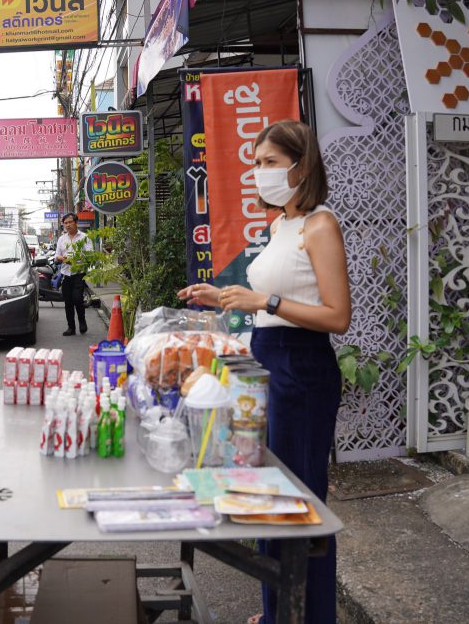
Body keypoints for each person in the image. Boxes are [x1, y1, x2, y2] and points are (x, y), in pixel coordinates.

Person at [178, 119, 351, 624]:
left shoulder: (322, 225)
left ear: (302, 166)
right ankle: (278, 610)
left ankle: (309, 616)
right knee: (265, 499)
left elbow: (338, 316)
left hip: (302, 369)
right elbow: (270, 306)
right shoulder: (280, 225)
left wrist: (265, 299)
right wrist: (223, 298)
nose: (260, 172)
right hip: (266, 363)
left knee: (298, 507)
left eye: (270, 163)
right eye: (255, 163)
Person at [54, 212, 92, 336]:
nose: (68, 225)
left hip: (79, 273)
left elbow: (90, 254)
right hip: (65, 273)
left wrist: (76, 259)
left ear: (76, 223)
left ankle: (82, 322)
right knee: (68, 302)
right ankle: (71, 327)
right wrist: (62, 258)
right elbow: (56, 256)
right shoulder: (61, 239)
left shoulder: (84, 237)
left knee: (77, 298)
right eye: (66, 223)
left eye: (70, 222)